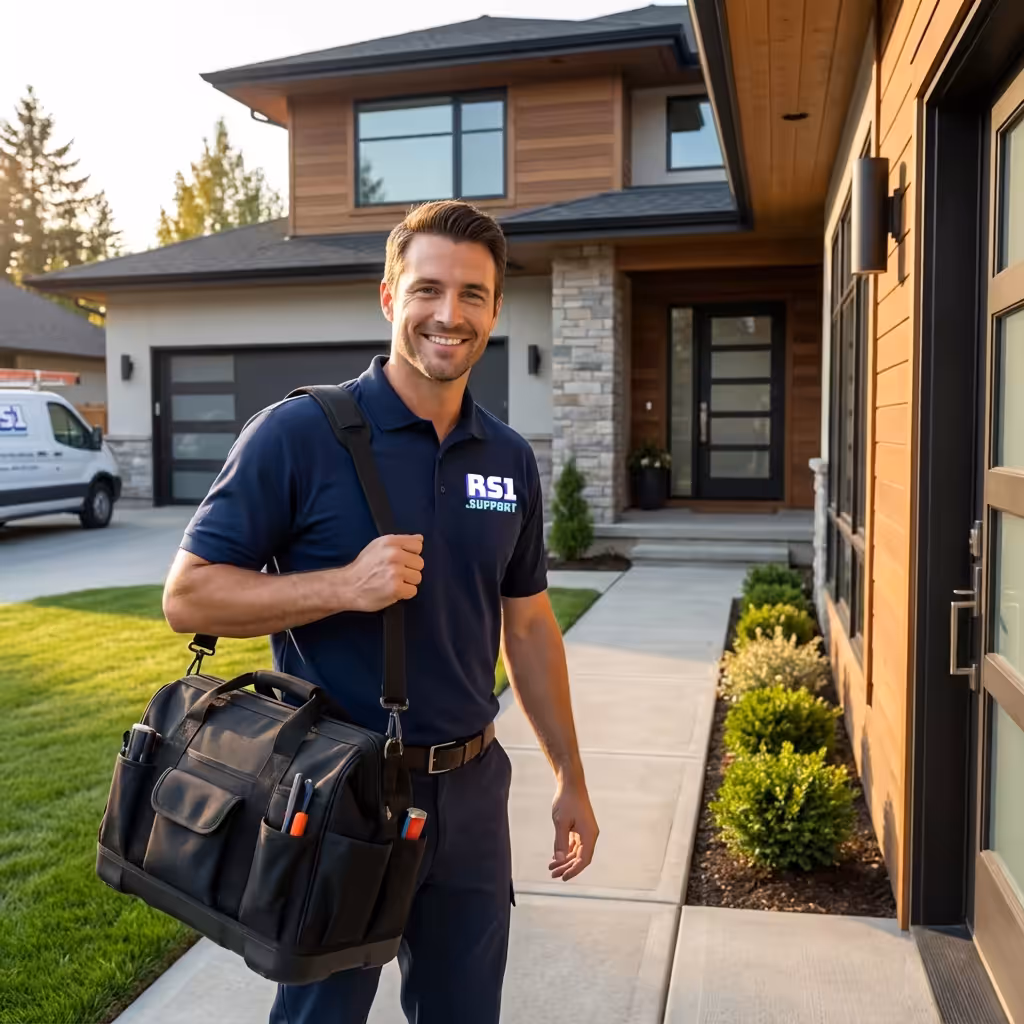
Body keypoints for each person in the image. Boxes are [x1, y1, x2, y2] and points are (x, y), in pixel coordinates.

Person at [162, 199, 599, 1024]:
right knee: (320, 1015)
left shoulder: (506, 457)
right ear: (390, 296)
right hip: (338, 793)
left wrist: (571, 776)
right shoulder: (300, 433)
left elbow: (531, 626)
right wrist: (341, 586)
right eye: (428, 289)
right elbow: (188, 596)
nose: (450, 314)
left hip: (470, 792)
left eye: (473, 294)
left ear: (496, 309)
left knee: (465, 1013)